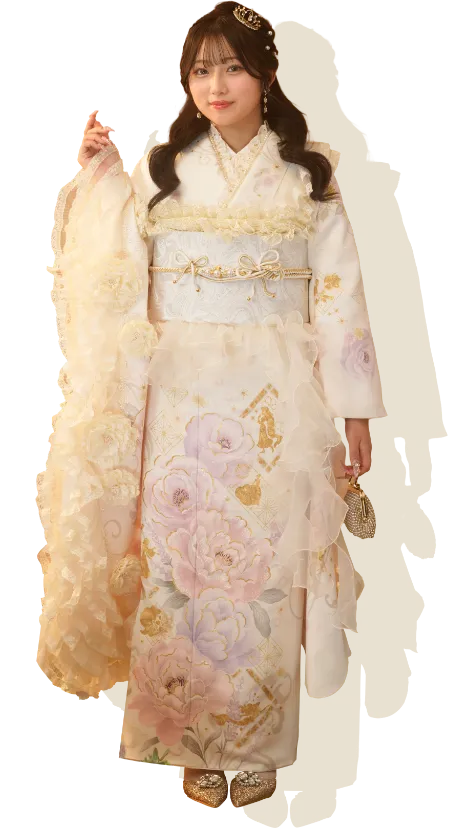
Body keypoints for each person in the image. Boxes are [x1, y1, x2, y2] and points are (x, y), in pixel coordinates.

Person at [37, 0, 386, 809]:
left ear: (266, 74)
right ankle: (188, 739)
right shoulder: (161, 172)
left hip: (276, 400)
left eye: (232, 67)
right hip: (180, 404)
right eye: (201, 69)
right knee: (181, 566)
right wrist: (97, 178)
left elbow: (340, 297)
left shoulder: (308, 172)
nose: (216, 85)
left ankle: (258, 745)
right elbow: (104, 261)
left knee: (265, 572)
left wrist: (356, 414)